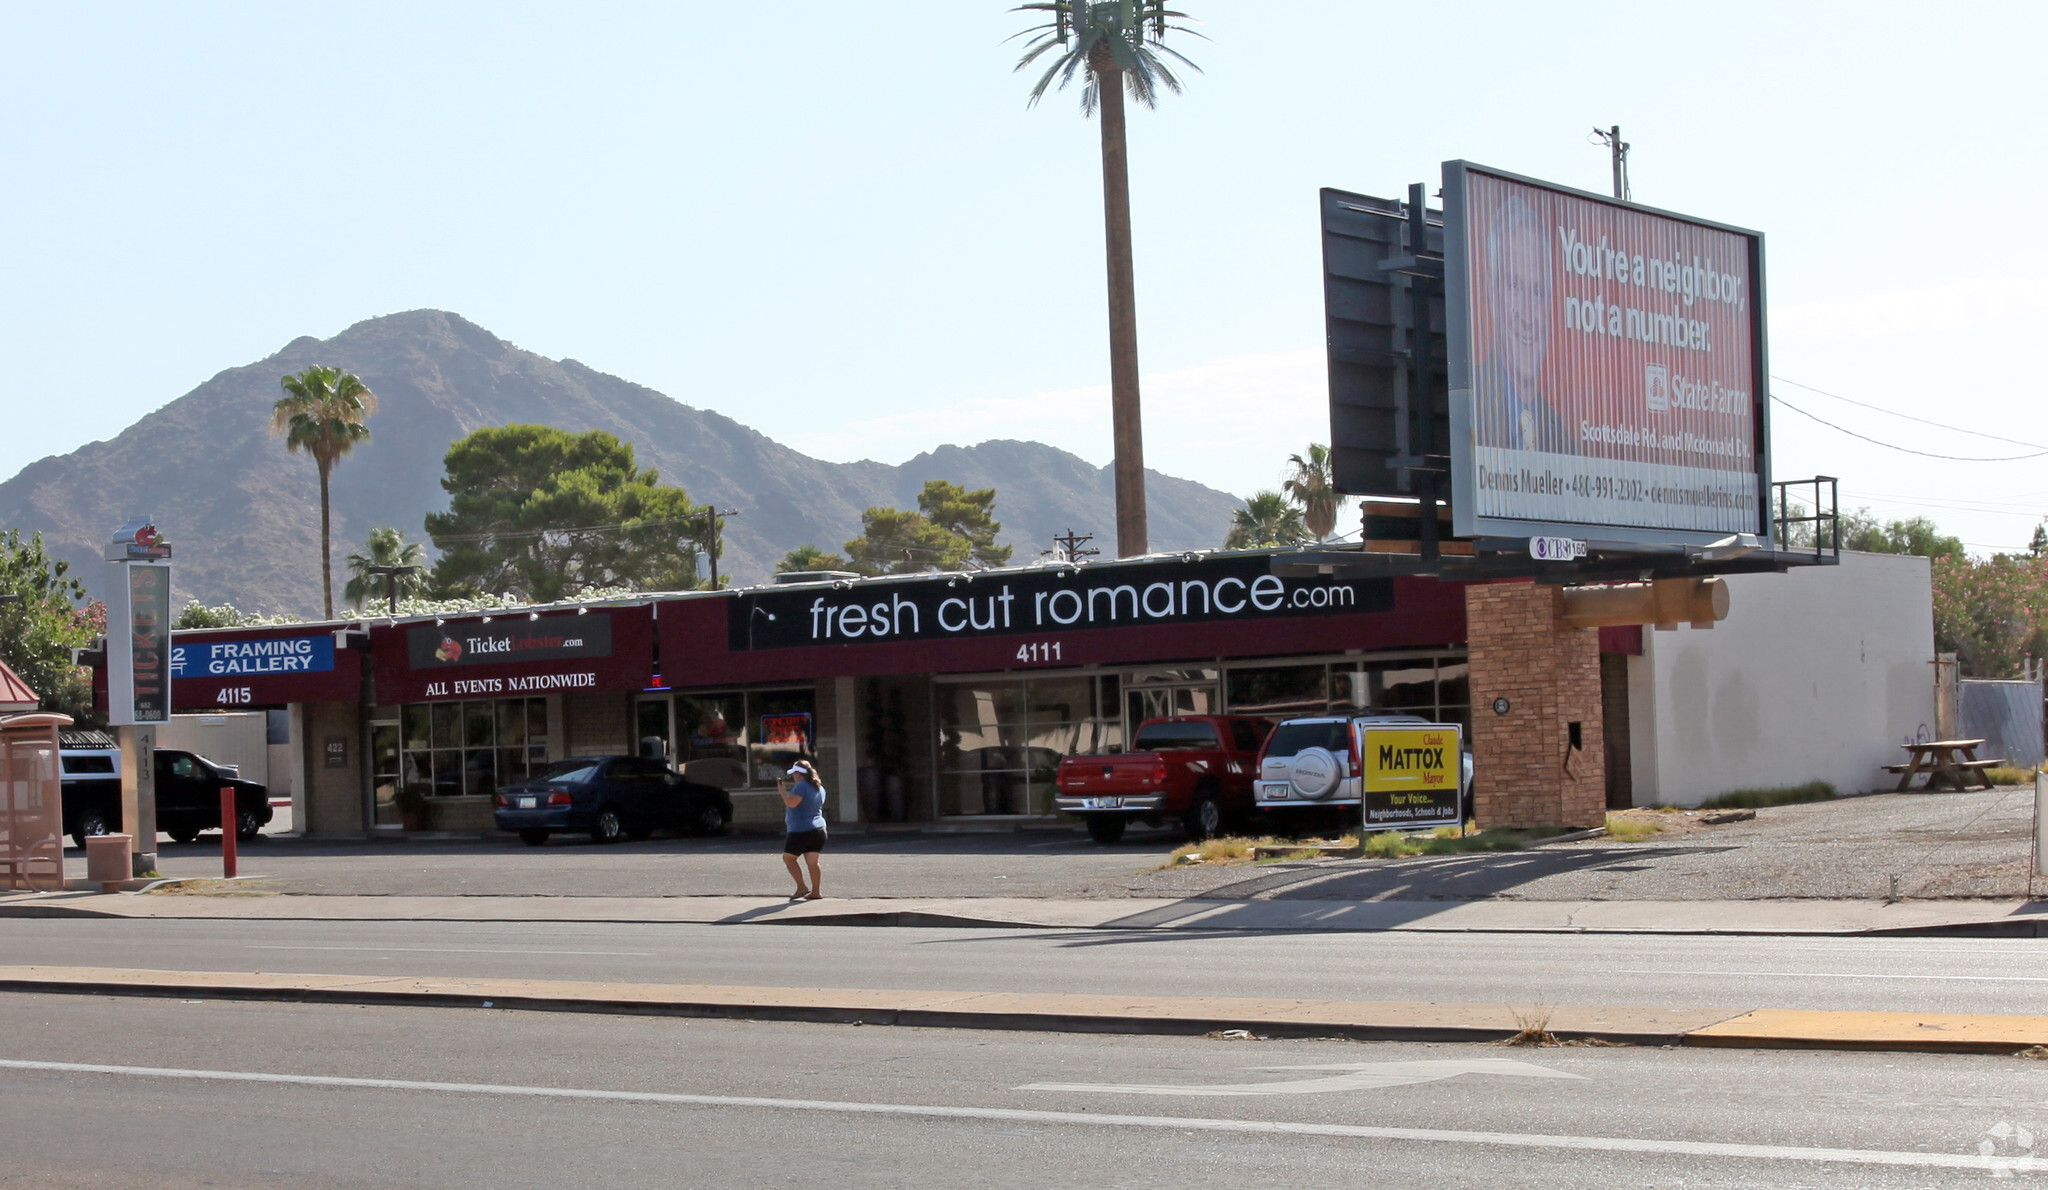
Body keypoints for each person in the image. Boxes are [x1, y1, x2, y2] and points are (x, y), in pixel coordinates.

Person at [779, 760, 828, 901]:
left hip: (801, 830)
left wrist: (783, 792)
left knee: (788, 858)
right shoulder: (819, 788)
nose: (793, 776)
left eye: (794, 773)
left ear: (799, 774)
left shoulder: (801, 786)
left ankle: (801, 887)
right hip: (819, 829)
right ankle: (816, 892)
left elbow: (791, 803)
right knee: (813, 862)